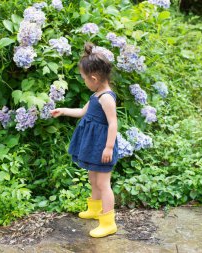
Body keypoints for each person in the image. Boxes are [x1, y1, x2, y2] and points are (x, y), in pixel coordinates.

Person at [50, 42, 118, 238]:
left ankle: (108, 222)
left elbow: (113, 123)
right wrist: (63, 110)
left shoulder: (106, 98)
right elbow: (82, 112)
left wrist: (109, 147)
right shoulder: (96, 94)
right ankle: (95, 209)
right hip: (93, 145)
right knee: (93, 178)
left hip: (103, 145)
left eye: (84, 78)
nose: (83, 81)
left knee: (104, 183)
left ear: (94, 78)